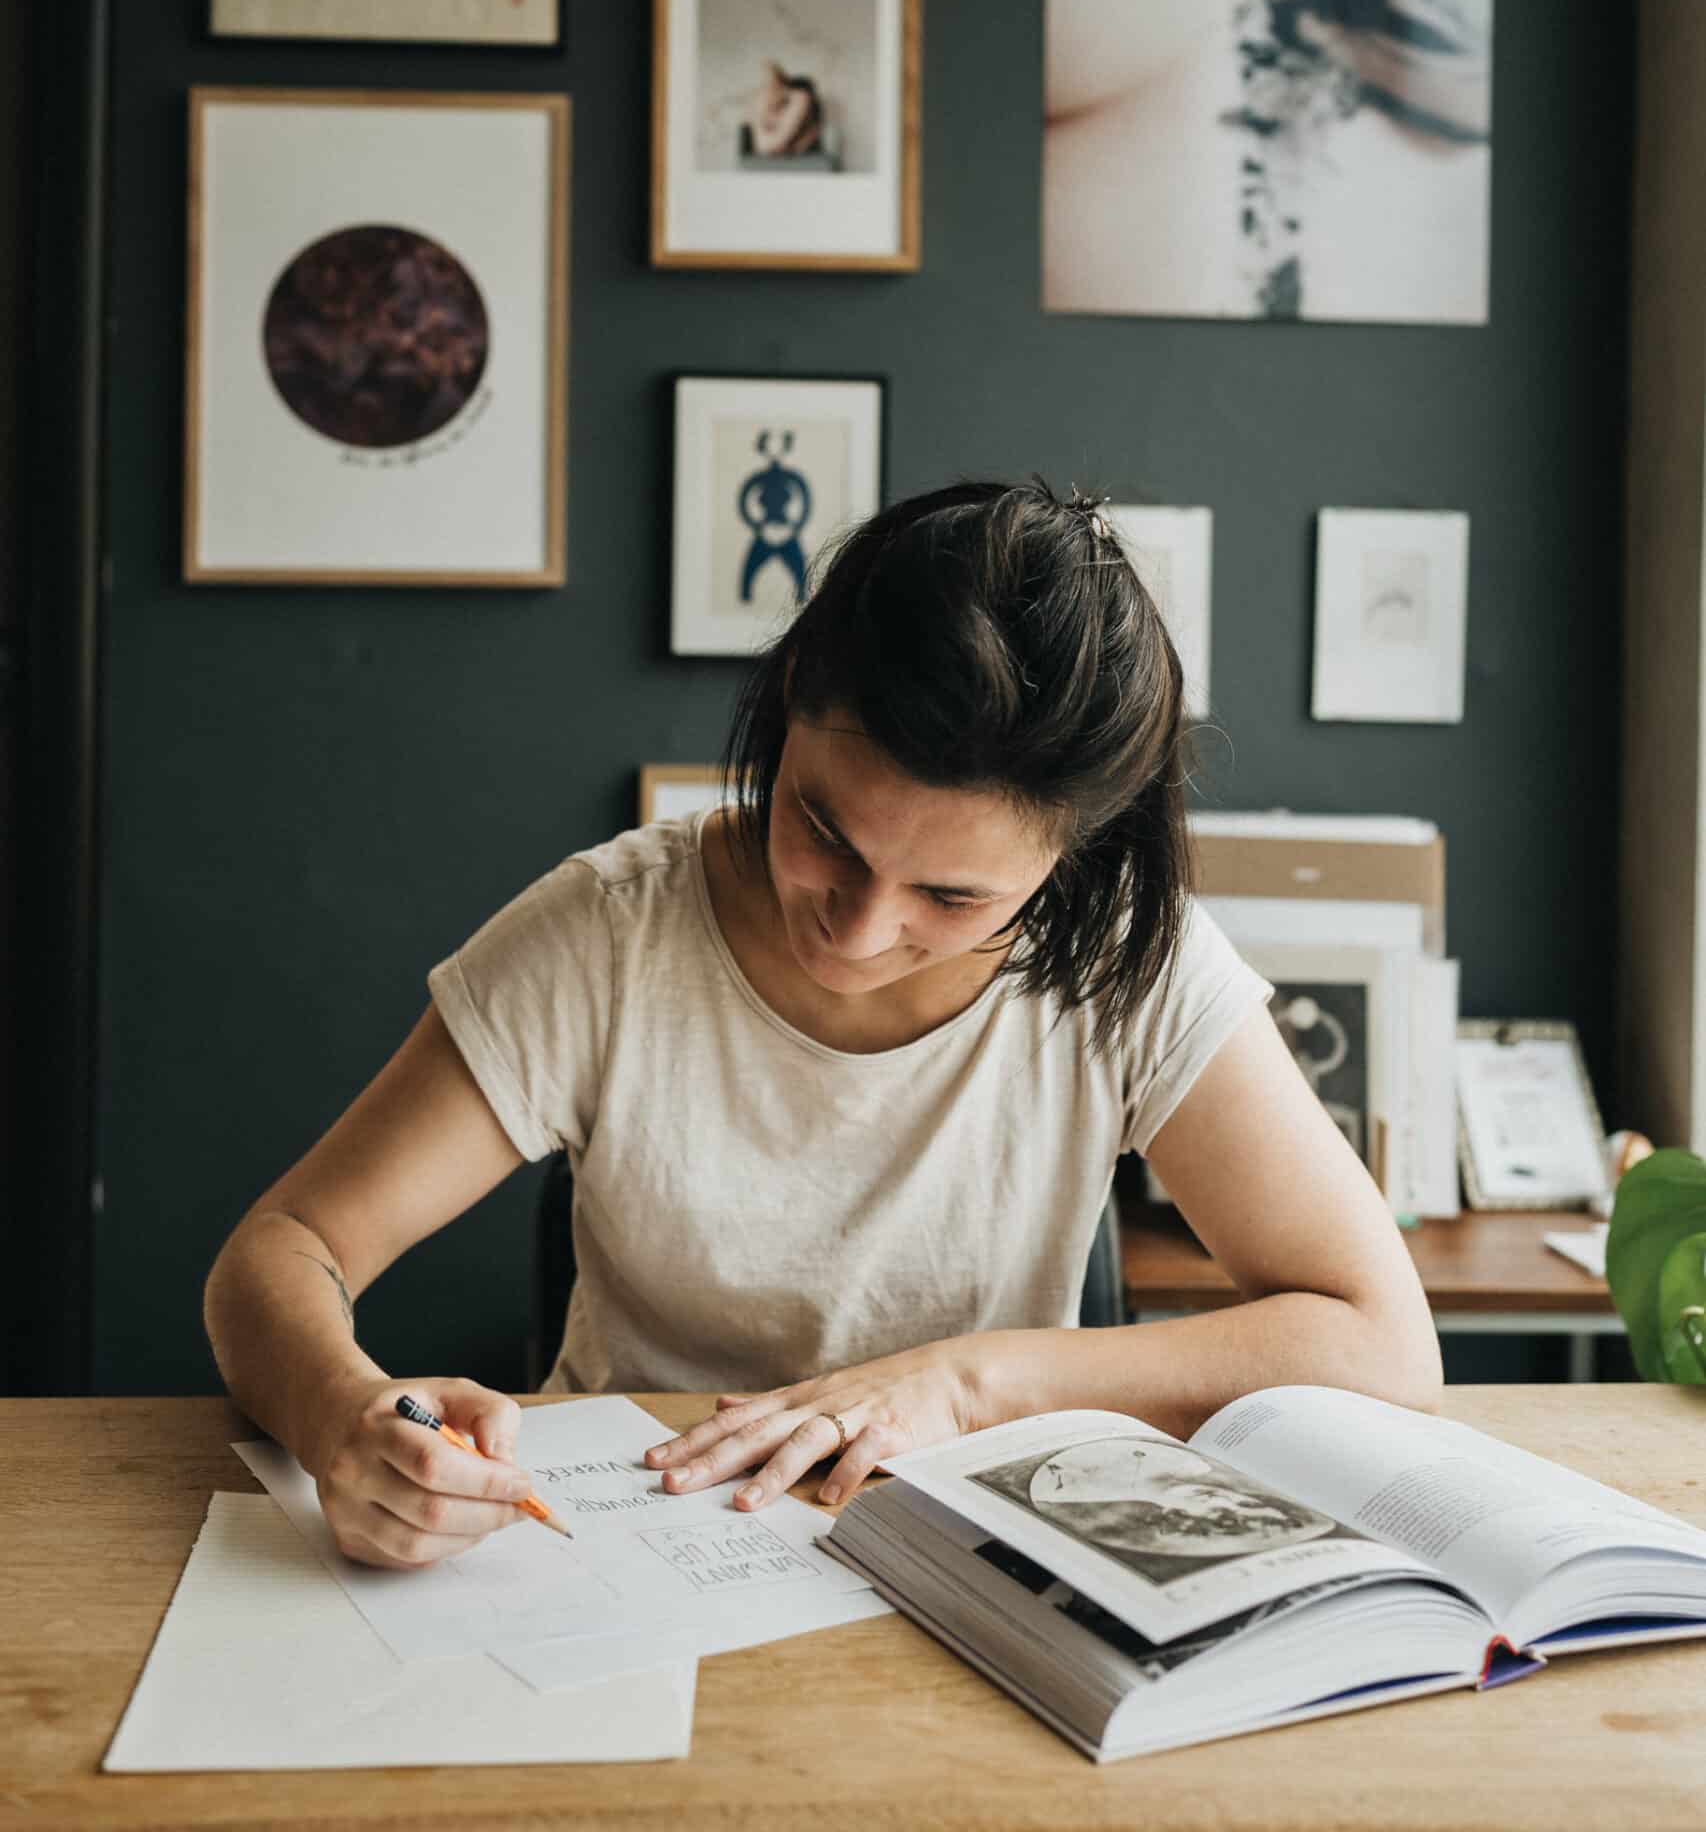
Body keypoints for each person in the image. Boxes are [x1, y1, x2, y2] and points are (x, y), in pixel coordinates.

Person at [204, 480, 1440, 1574]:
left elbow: (1383, 1347)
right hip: (614, 1549)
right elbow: (284, 1247)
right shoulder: (607, 934)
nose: (854, 931)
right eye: (824, 832)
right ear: (790, 698)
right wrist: (345, 1420)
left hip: (980, 1560)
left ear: (1072, 858)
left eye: (952, 897)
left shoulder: (1128, 964)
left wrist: (964, 1381)